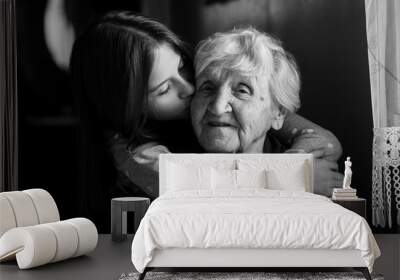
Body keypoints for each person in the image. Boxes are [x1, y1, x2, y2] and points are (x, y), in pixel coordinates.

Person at [70, 11, 342, 231]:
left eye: (183, 68)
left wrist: (294, 165)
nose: (190, 88)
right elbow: (193, 183)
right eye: (164, 89)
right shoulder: (136, 152)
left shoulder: (264, 107)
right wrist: (291, 177)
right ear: (129, 107)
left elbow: (323, 141)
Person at [191, 27, 343, 194]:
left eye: (242, 90)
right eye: (207, 88)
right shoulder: (168, 151)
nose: (218, 108)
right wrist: (288, 178)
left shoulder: (313, 173)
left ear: (278, 113)